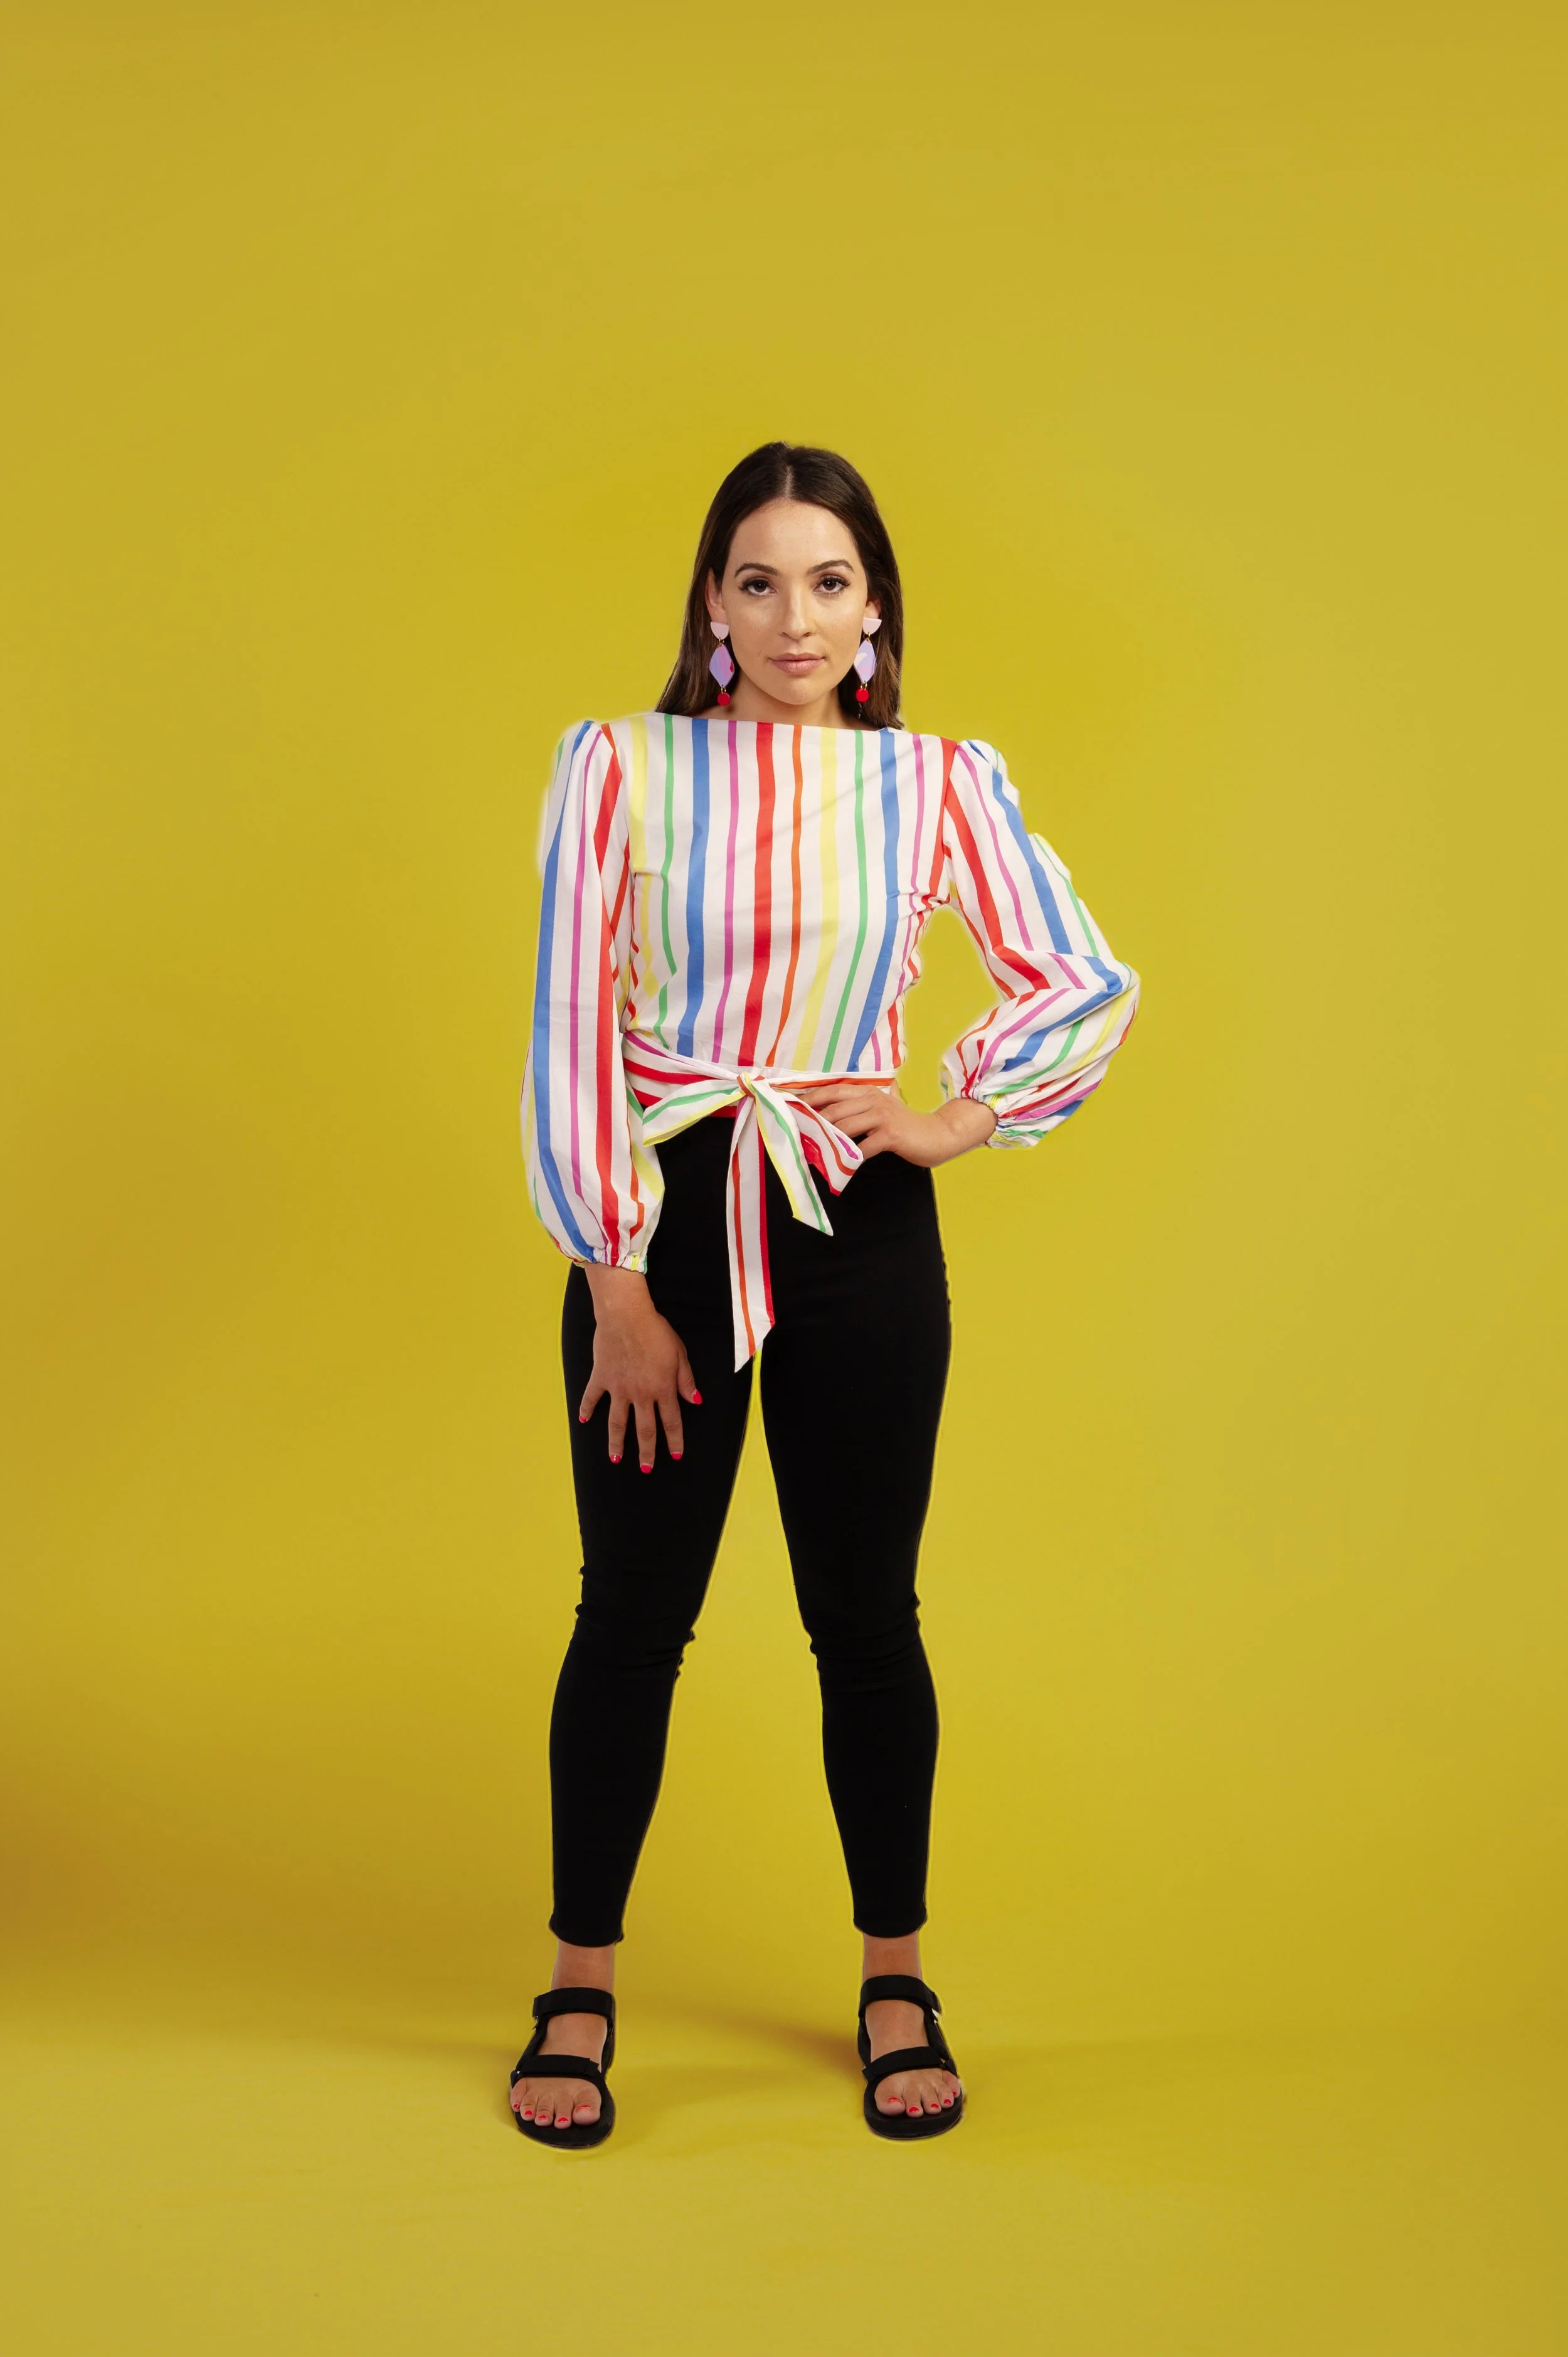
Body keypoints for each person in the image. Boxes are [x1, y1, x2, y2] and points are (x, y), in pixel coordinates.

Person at [511, 442, 1140, 2147]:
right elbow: (570, 1025)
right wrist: (614, 1278)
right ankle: (578, 1983)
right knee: (630, 1616)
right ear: (712, 606)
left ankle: (895, 1978)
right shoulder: (618, 765)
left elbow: (1080, 975)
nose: (796, 617)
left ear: (874, 611)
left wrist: (951, 1116)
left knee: (865, 1616)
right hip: (663, 1220)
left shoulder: (934, 780)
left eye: (830, 582)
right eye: (760, 580)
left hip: (854, 1221)